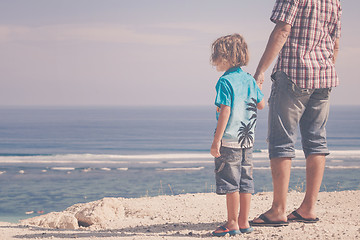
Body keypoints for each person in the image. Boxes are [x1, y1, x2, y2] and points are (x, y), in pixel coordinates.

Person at [251, 0, 342, 226]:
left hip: (293, 72)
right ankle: (308, 208)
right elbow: (335, 42)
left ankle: (278, 210)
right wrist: (324, 69)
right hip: (324, 75)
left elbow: (283, 30)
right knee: (316, 141)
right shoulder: (334, 1)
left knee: (282, 141)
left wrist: (260, 71)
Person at [210, 34, 265, 236]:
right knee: (245, 181)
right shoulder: (248, 80)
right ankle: (243, 222)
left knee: (230, 183)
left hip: (230, 140)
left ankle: (232, 223)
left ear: (225, 57)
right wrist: (258, 87)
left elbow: (225, 111)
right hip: (248, 140)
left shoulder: (225, 81)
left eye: (216, 57)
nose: (214, 61)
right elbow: (261, 104)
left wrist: (216, 141)